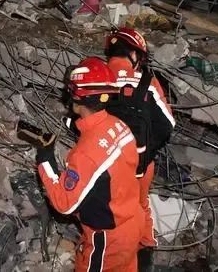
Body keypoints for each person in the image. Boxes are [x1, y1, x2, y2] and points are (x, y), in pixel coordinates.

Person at [37, 56, 144, 271]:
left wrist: (45, 158)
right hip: (132, 221)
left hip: (108, 240)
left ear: (76, 97)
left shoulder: (85, 154)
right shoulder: (119, 126)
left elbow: (64, 204)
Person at [104, 27, 176, 267]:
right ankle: (144, 252)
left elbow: (78, 119)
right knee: (140, 206)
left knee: (107, 211)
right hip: (140, 164)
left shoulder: (97, 77)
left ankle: (110, 255)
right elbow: (167, 125)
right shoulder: (148, 82)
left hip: (103, 165)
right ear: (134, 54)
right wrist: (146, 152)